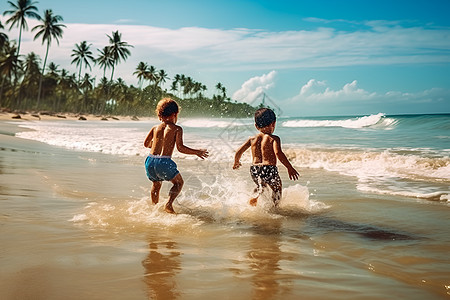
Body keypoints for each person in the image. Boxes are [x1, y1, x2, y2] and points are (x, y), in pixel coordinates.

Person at [144, 98, 208, 214]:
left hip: (150, 161)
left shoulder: (155, 128)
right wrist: (196, 152)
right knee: (178, 183)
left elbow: (146, 144)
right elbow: (180, 148)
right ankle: (168, 204)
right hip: (164, 162)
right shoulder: (176, 129)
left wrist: (156, 146)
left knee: (156, 184)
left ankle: (154, 207)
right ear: (175, 114)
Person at [233, 108, 299, 207]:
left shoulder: (252, 139)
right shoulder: (274, 139)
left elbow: (239, 151)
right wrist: (289, 167)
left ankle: (253, 200)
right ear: (273, 123)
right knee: (277, 188)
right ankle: (274, 208)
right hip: (269, 168)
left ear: (256, 126)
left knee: (261, 186)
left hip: (254, 169)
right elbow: (278, 153)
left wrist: (236, 162)